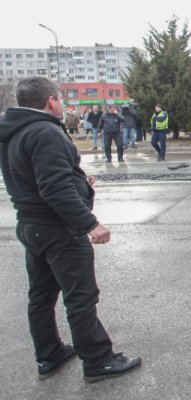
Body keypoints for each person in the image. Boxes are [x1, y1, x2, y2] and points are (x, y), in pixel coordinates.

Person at [0, 77, 141, 382]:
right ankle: (98, 360)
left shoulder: (15, 131)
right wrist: (90, 223)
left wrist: (79, 179)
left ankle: (49, 355)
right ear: (50, 100)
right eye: (60, 98)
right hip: (59, 230)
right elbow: (54, 188)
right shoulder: (44, 132)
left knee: (41, 296)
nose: (62, 103)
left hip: (31, 225)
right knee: (81, 297)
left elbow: (33, 178)